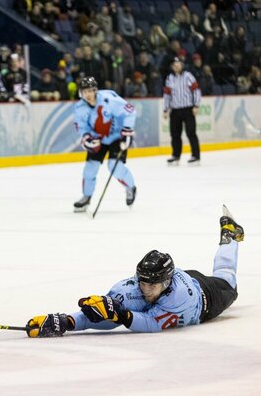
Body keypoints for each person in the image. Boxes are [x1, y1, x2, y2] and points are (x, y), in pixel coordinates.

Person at [26, 205, 244, 337]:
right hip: (184, 276)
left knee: (227, 279)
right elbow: (108, 317)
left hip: (205, 297)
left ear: (166, 282)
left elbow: (150, 322)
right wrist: (66, 322)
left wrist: (120, 314)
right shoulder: (134, 287)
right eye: (143, 282)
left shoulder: (179, 297)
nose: (145, 289)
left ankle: (230, 234)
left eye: (151, 284)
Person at [72, 76, 137, 212]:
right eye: (85, 91)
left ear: (96, 90)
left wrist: (127, 131)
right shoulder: (80, 108)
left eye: (91, 91)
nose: (88, 94)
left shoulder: (109, 99)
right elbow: (82, 127)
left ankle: (130, 187)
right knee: (90, 168)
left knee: (114, 166)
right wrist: (87, 138)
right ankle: (87, 196)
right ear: (81, 92)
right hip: (98, 138)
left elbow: (130, 111)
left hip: (117, 136)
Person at [163, 57, 202, 165]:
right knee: (175, 134)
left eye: (178, 64)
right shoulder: (169, 78)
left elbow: (196, 91)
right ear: (172, 66)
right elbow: (167, 95)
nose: (176, 66)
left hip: (188, 109)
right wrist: (165, 109)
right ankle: (176, 156)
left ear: (182, 65)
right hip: (175, 110)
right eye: (174, 64)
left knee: (191, 132)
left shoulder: (188, 76)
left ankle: (195, 156)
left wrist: (196, 105)